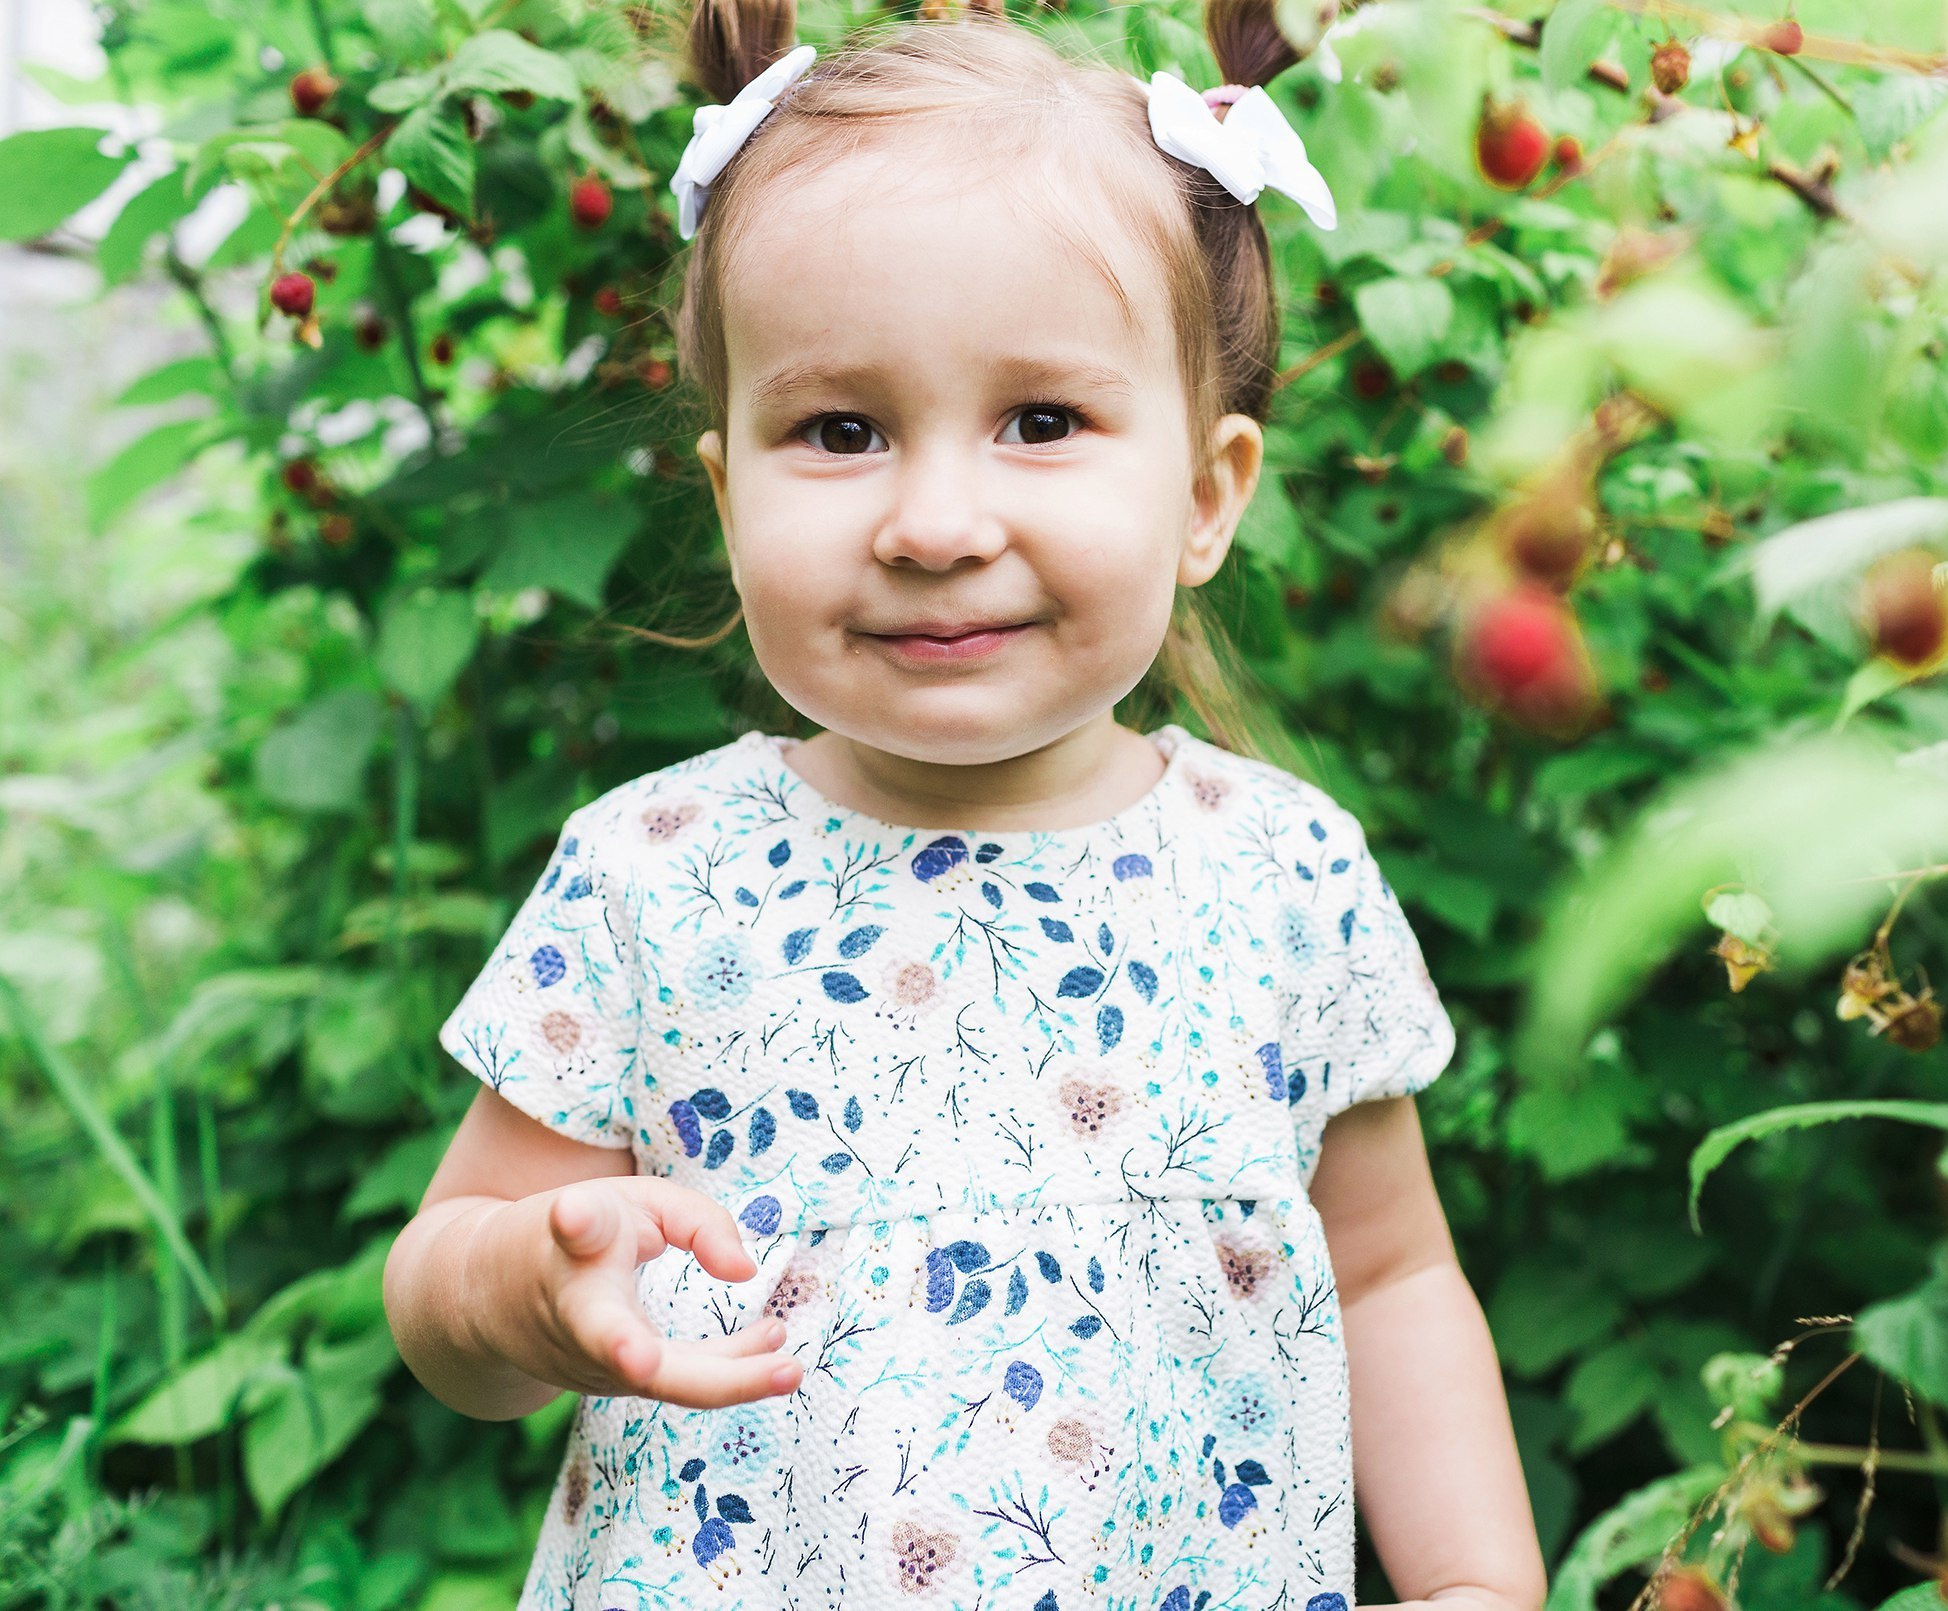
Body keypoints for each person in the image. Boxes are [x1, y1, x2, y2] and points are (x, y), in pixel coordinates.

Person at [382, 2, 1546, 1607]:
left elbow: (1390, 1274)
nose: (935, 524)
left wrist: (1479, 1584)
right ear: (727, 494)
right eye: (840, 431)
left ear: (1207, 495)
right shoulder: (656, 873)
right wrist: (515, 1291)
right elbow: (449, 1283)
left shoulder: (1284, 874)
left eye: (1041, 423)